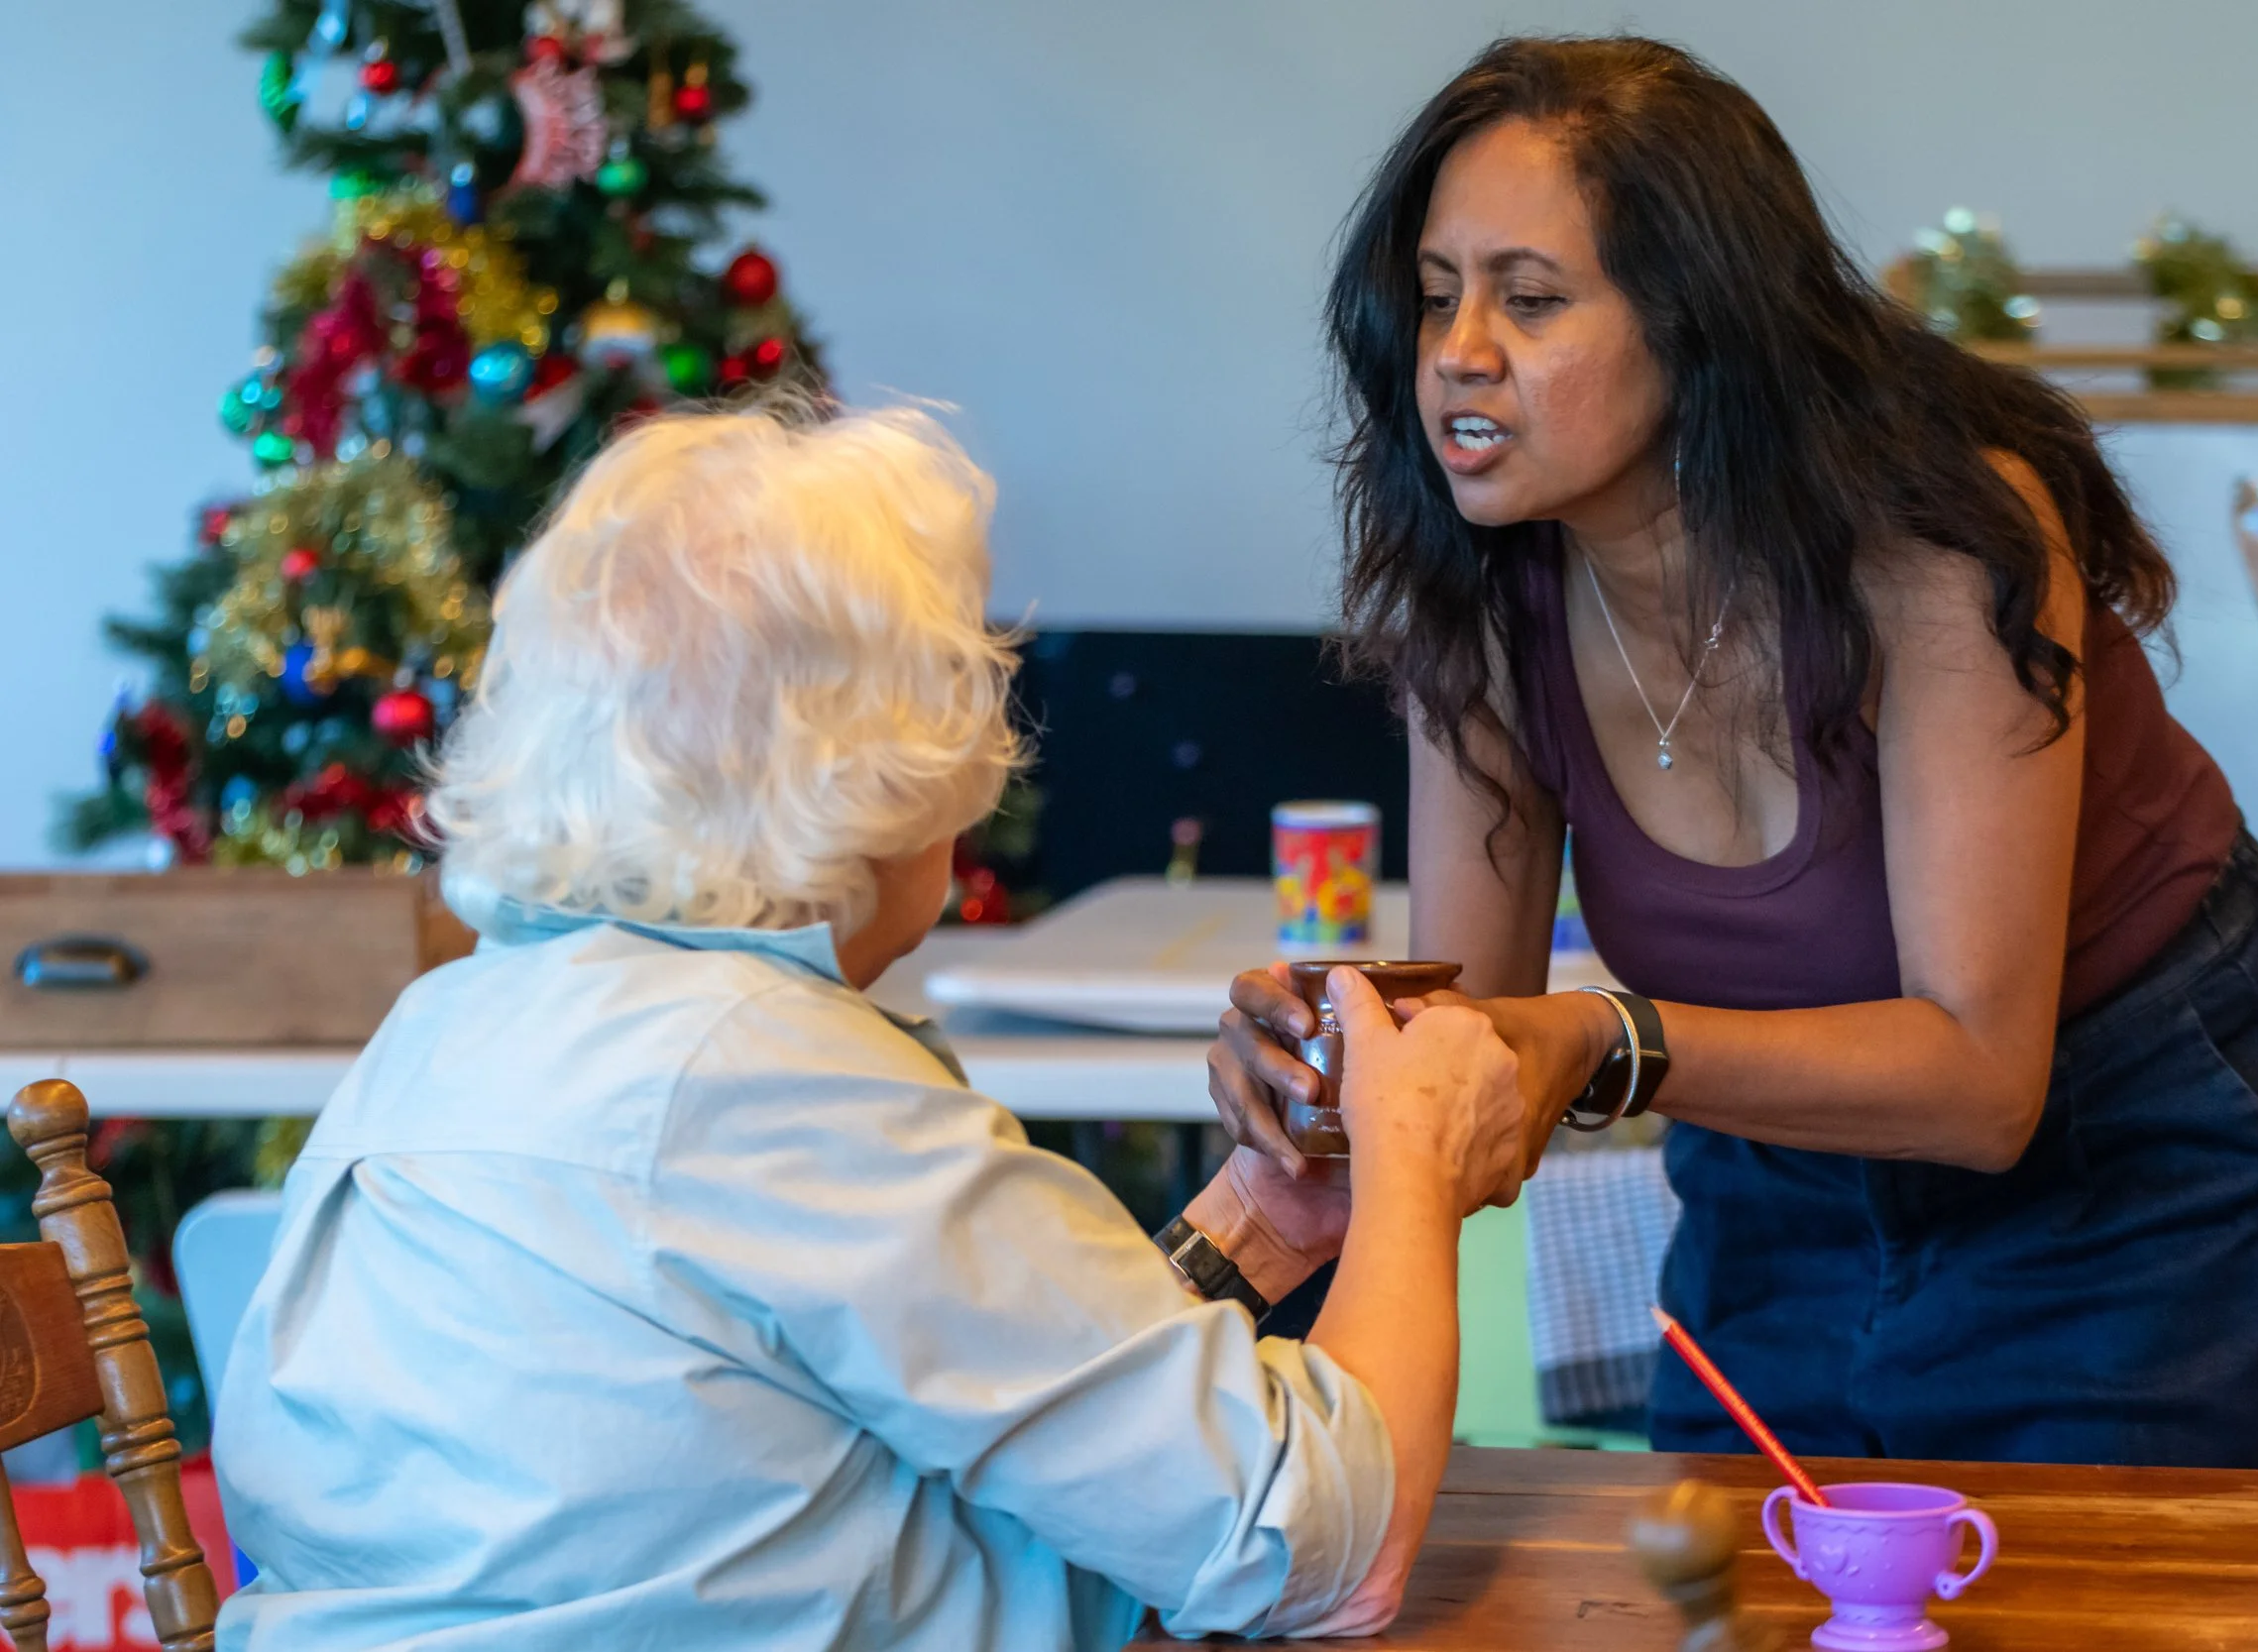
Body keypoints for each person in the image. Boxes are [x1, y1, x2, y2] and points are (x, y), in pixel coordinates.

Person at [1212, 37, 2258, 1470]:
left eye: (1530, 300)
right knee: (1740, 1590)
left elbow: (1979, 1078)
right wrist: (1332, 1069)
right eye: (1438, 295)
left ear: (1698, 325)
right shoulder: (1481, 605)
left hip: (2127, 1144)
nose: (1458, 351)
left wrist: (1603, 1038)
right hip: (1776, 1167)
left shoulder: (1940, 544)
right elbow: (1480, 1058)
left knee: (2105, 1599)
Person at [211, 402, 1527, 1649]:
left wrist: (1259, 1222)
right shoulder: (772, 1078)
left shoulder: (448, 1025)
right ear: (871, 765)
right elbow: (1318, 1546)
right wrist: (1412, 1154)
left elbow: (989, 1397)